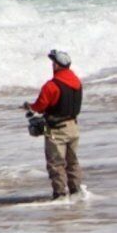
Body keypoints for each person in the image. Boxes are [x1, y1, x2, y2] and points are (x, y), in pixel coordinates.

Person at [27, 48, 85, 199]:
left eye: (53, 63)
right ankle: (76, 192)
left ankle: (59, 195)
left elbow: (40, 107)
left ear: (57, 65)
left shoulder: (51, 86)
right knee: (72, 162)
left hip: (53, 129)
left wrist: (29, 107)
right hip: (73, 127)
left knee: (55, 163)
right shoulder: (77, 82)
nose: (52, 65)